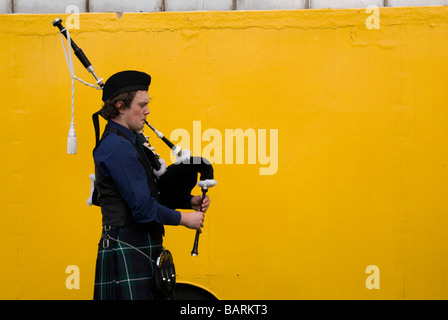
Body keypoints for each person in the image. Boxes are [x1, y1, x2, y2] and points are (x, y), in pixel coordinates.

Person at [92, 70, 209, 300]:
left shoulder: (130, 140)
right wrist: (184, 220)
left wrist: (189, 202)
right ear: (120, 106)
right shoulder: (118, 146)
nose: (147, 111)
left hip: (137, 243)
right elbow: (143, 208)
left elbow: (148, 192)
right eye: (142, 104)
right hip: (126, 243)